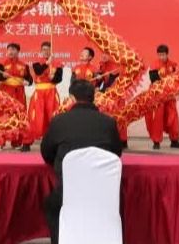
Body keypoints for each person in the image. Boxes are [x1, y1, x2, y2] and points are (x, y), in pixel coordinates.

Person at [41, 79, 122, 244]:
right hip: (104, 196)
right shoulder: (109, 123)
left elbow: (47, 153)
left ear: (71, 98)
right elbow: (115, 155)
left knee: (52, 205)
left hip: (68, 194)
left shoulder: (59, 121)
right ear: (94, 97)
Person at [0, 43, 33, 150]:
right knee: (3, 115)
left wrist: (27, 82)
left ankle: (16, 142)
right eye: (9, 50)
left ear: (18, 51)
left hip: (19, 93)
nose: (10, 52)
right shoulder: (1, 64)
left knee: (18, 116)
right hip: (5, 92)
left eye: (13, 50)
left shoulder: (24, 65)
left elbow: (30, 80)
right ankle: (0, 142)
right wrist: (3, 76)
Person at [26, 41, 63, 150]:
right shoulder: (36, 63)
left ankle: (55, 141)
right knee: (35, 117)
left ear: (51, 50)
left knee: (53, 116)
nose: (46, 51)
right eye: (44, 50)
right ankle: (27, 142)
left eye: (48, 49)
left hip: (51, 93)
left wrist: (53, 78)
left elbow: (59, 79)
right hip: (39, 93)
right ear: (41, 51)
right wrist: (47, 63)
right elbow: (38, 71)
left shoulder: (57, 64)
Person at [146, 45, 179, 149]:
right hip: (158, 95)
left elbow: (177, 80)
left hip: (170, 95)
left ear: (167, 54)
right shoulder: (154, 65)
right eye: (159, 55)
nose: (161, 57)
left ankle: (174, 140)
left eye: (163, 55)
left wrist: (177, 91)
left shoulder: (173, 65)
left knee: (173, 117)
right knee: (158, 118)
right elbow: (153, 80)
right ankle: (156, 141)